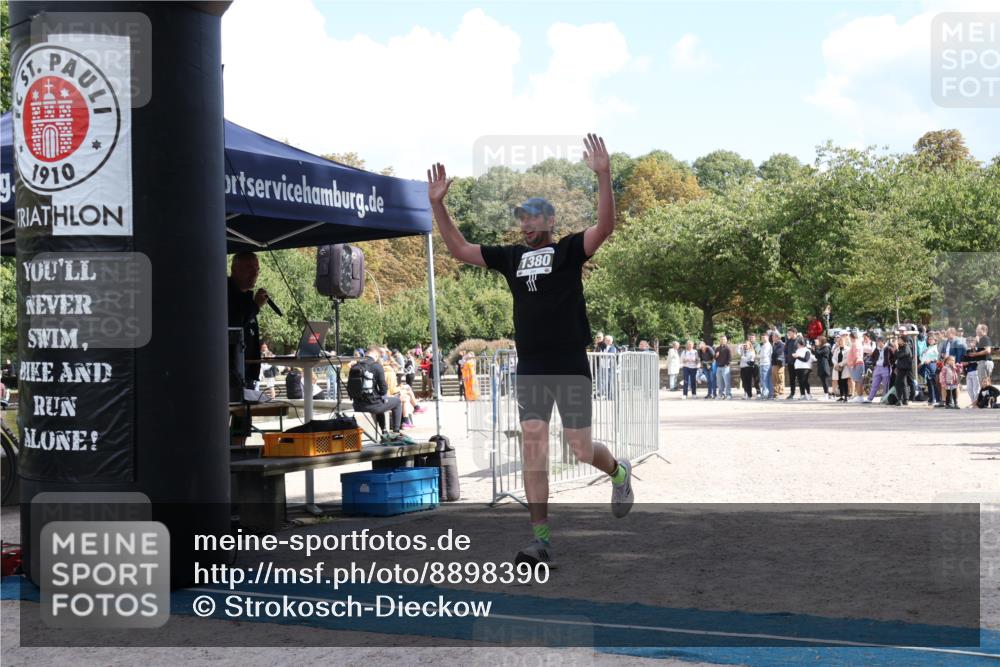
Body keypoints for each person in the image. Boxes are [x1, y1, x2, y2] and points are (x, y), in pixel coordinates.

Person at [426, 133, 633, 567]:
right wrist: (438, 205)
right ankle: (541, 541)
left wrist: (604, 175)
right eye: (521, 219)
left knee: (579, 448)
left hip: (570, 361)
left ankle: (617, 471)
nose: (525, 225)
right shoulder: (511, 257)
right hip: (533, 365)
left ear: (550, 222)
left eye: (533, 218)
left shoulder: (569, 250)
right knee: (533, 446)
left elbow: (606, 228)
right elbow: (459, 249)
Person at [227, 251, 270, 446]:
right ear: (234, 269)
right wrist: (255, 306)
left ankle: (239, 454)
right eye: (249, 269)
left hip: (247, 373)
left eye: (257, 270)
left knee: (243, 424)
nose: (254, 275)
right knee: (229, 419)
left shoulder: (248, 299)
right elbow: (233, 326)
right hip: (229, 373)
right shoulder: (226, 294)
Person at [350, 345, 405, 439]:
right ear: (375, 355)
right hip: (372, 406)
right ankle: (396, 432)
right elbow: (383, 388)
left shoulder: (354, 366)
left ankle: (384, 431)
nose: (378, 358)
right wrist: (384, 396)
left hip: (357, 405)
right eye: (378, 356)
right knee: (397, 402)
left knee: (379, 400)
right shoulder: (376, 366)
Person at [964, 324, 993, 407]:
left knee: (984, 383)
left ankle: (986, 403)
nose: (976, 330)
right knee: (985, 383)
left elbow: (988, 351)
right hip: (982, 362)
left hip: (984, 362)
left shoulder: (985, 338)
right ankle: (987, 401)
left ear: (983, 330)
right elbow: (977, 352)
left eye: (978, 329)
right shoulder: (981, 339)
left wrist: (976, 354)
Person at [866, 337, 894, 403]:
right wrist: (874, 363)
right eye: (878, 341)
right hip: (877, 368)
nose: (878, 343)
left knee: (886, 385)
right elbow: (872, 357)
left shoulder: (888, 349)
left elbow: (893, 357)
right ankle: (870, 398)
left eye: (880, 341)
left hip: (885, 368)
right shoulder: (876, 349)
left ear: (883, 342)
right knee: (874, 384)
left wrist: (889, 363)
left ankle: (884, 398)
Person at [892, 330, 914, 406]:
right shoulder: (902, 347)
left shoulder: (906, 347)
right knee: (904, 383)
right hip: (901, 367)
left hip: (904, 368)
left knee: (898, 384)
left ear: (904, 341)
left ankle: (900, 400)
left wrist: (896, 349)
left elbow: (899, 355)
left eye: (900, 340)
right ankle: (905, 400)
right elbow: (896, 356)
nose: (898, 341)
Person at [920, 334, 941, 406]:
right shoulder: (928, 348)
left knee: (933, 383)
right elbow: (923, 357)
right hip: (926, 365)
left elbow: (937, 358)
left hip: (932, 365)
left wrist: (930, 360)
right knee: (929, 383)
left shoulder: (936, 348)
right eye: (929, 339)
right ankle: (931, 399)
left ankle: (937, 399)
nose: (930, 340)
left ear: (935, 340)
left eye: (932, 339)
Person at [847, 331, 866, 402]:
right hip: (858, 364)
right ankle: (859, 396)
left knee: (858, 381)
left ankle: (859, 396)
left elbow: (856, 356)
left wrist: (852, 364)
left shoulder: (855, 344)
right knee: (858, 381)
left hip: (857, 364)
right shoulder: (857, 343)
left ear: (851, 337)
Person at [792, 335, 813, 399]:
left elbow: (806, 359)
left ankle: (808, 394)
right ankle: (802, 394)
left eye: (798, 343)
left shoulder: (807, 350)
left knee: (805, 381)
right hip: (798, 367)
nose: (797, 345)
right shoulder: (798, 350)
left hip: (805, 368)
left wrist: (797, 357)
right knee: (800, 381)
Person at [832, 335, 850, 401]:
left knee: (844, 381)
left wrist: (840, 364)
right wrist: (835, 363)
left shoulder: (848, 349)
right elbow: (833, 358)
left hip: (844, 367)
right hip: (837, 368)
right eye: (839, 341)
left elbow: (847, 359)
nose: (840, 342)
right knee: (839, 382)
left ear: (845, 342)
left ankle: (846, 396)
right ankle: (841, 396)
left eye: (842, 341)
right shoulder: (837, 349)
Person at [814, 336, 832, 400]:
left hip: (824, 366)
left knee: (825, 381)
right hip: (821, 366)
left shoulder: (826, 348)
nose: (817, 341)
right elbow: (816, 355)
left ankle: (826, 395)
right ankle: (827, 394)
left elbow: (818, 353)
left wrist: (816, 347)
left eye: (818, 340)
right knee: (823, 381)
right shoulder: (821, 348)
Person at [715, 335, 733, 400]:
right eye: (721, 339)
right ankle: (721, 394)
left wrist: (726, 364)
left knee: (727, 382)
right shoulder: (717, 348)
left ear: (726, 340)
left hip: (725, 367)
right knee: (719, 382)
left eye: (724, 339)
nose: (722, 340)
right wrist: (716, 356)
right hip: (718, 367)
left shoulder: (728, 348)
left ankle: (729, 394)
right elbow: (715, 358)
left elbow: (730, 358)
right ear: (720, 340)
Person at [784, 327, 800, 399]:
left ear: (794, 333)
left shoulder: (800, 340)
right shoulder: (789, 341)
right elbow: (785, 350)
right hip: (790, 363)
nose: (789, 334)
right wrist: (786, 358)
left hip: (799, 362)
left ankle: (803, 393)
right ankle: (792, 393)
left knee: (800, 379)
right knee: (792, 379)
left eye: (790, 333)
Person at [770, 332, 785, 400]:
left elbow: (777, 353)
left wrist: (773, 354)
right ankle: (775, 394)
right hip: (774, 364)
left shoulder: (781, 344)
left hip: (779, 364)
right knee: (774, 379)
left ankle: (781, 393)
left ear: (778, 337)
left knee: (780, 378)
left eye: (774, 337)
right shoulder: (774, 344)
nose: (772, 338)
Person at [758, 333, 772, 399]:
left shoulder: (767, 345)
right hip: (765, 363)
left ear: (768, 337)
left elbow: (763, 355)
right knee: (768, 380)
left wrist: (757, 356)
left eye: (764, 337)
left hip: (765, 364)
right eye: (762, 337)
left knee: (764, 380)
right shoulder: (764, 345)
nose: (763, 339)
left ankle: (765, 394)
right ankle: (770, 395)